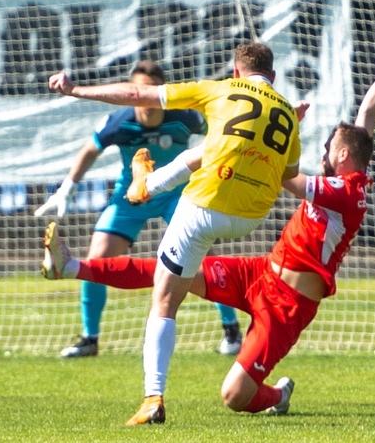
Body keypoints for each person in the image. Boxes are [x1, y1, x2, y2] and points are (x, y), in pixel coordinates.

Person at [43, 36, 375, 418]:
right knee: (168, 277)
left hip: (288, 305)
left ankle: (277, 396)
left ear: (342, 156)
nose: (321, 153)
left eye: (326, 149)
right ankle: (72, 266)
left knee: (234, 395)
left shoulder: (346, 190)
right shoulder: (348, 161)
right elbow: (367, 116)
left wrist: (77, 90)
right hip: (259, 272)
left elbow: (290, 181)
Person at [47, 42, 301, 425]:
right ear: (274, 77)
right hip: (250, 217)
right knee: (209, 152)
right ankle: (145, 188)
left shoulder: (221, 90)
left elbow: (137, 94)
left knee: (164, 299)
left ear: (235, 73)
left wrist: (76, 89)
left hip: (202, 207)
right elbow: (286, 176)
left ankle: (153, 397)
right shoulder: (286, 111)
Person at [37, 61, 243, 357]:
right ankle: (89, 338)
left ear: (160, 92)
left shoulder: (185, 118)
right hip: (130, 197)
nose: (141, 97)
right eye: (137, 90)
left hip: (176, 195)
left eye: (149, 90)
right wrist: (67, 188)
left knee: (202, 257)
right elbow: (90, 149)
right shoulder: (119, 121)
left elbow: (222, 134)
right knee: (97, 257)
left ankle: (231, 330)